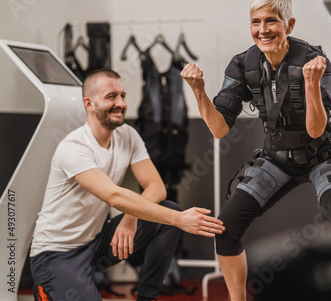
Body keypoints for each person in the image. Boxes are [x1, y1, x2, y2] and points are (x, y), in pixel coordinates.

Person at [181, 0, 331, 301]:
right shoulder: (242, 64)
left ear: (289, 25)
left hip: (325, 155)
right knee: (225, 229)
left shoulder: (314, 61)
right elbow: (220, 128)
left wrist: (311, 84)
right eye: (256, 22)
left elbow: (316, 131)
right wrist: (198, 90)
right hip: (278, 158)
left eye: (271, 21)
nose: (262, 29)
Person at [30, 69, 225, 301]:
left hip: (95, 243)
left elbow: (156, 187)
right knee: (174, 217)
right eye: (111, 96)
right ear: (89, 104)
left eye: (122, 96)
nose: (120, 103)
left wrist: (130, 218)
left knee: (168, 212)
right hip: (55, 255)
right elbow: (114, 196)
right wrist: (181, 220)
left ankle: (147, 297)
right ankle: (46, 289)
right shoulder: (73, 148)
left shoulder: (128, 135)